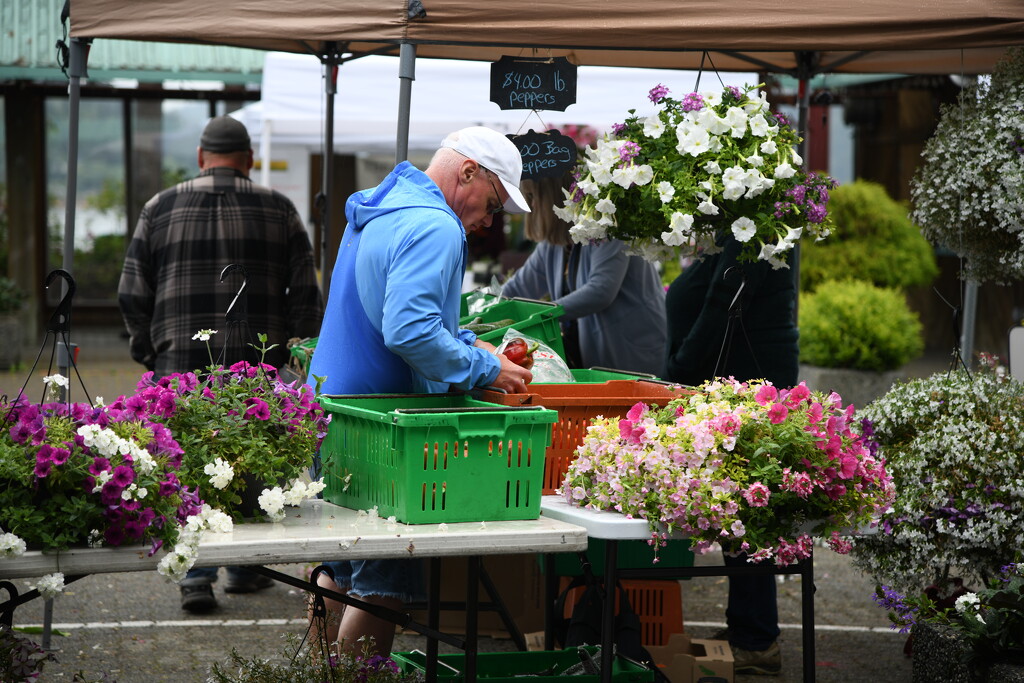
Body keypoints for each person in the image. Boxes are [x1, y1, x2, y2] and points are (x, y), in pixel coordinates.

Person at [306, 126, 534, 656]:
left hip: (332, 413)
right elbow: (408, 331)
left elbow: (398, 313)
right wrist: (483, 367)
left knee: (338, 568)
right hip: (383, 429)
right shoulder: (435, 225)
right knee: (383, 586)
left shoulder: (378, 209)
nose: (487, 221)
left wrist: (467, 344)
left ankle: (314, 673)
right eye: (493, 204)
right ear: (469, 172)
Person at [118, 115, 324, 613]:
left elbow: (131, 293)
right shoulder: (279, 210)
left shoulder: (158, 207)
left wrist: (152, 353)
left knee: (189, 465)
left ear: (199, 156)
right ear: (249, 159)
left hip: (179, 367)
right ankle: (245, 566)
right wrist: (292, 358)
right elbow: (307, 301)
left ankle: (196, 576)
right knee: (251, 463)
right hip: (258, 369)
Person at [664, 232, 799, 676]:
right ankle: (748, 629)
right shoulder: (740, 235)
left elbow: (723, 303)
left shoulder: (753, 234)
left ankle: (757, 639)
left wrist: (679, 368)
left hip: (747, 393)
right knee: (741, 515)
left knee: (748, 514)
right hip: (741, 390)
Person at [499, 174, 667, 376]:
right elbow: (517, 288)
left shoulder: (607, 223)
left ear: (552, 198)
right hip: (597, 357)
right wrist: (489, 309)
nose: (530, 205)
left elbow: (601, 290)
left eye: (533, 196)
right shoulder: (553, 243)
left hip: (631, 353)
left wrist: (540, 316)